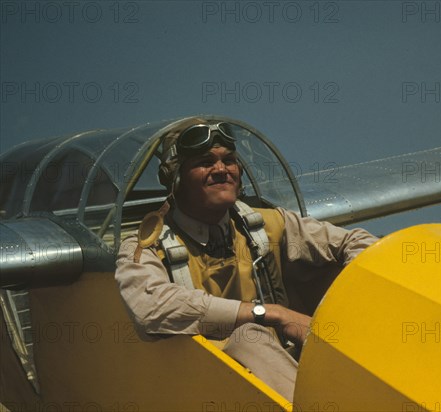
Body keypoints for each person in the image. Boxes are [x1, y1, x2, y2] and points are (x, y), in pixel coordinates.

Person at [115, 117, 378, 402]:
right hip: (202, 391)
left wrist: (351, 304)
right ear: (176, 179)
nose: (221, 170)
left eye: (229, 160)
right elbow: (151, 308)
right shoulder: (146, 246)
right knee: (249, 339)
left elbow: (359, 243)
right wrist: (273, 313)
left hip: (281, 373)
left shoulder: (266, 223)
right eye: (204, 162)